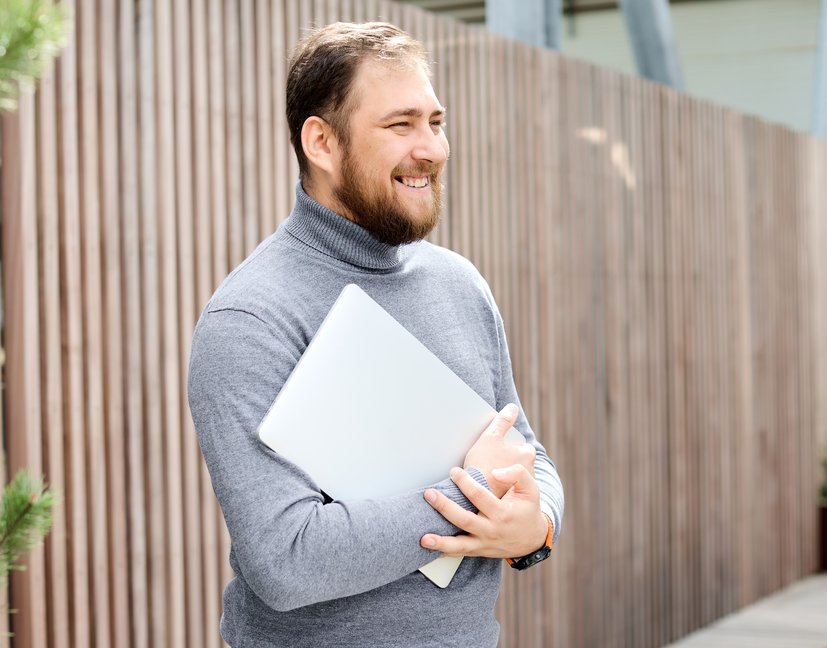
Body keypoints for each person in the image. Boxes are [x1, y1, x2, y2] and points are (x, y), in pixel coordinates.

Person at [187, 21, 565, 647]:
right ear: (322, 143)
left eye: (435, 123)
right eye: (401, 125)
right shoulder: (251, 319)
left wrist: (538, 528)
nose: (433, 149)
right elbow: (285, 560)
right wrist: (473, 496)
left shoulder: (458, 285)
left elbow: (523, 450)